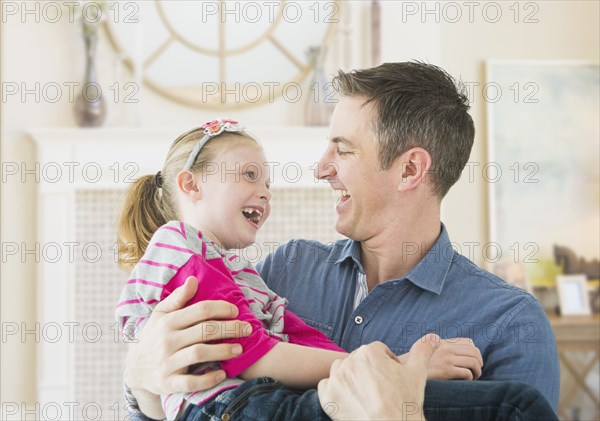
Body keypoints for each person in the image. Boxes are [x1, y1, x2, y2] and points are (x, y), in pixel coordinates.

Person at [123, 62, 560, 420]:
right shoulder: (285, 270)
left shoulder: (508, 323)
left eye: (343, 149)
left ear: (410, 170)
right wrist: (141, 383)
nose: (320, 169)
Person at [115, 119, 483, 420]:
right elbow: (258, 354)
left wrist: (388, 371)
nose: (264, 193)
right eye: (248, 174)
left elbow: (303, 340)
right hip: (225, 408)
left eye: (267, 183)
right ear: (191, 184)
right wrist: (400, 368)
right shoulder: (179, 245)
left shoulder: (243, 274)